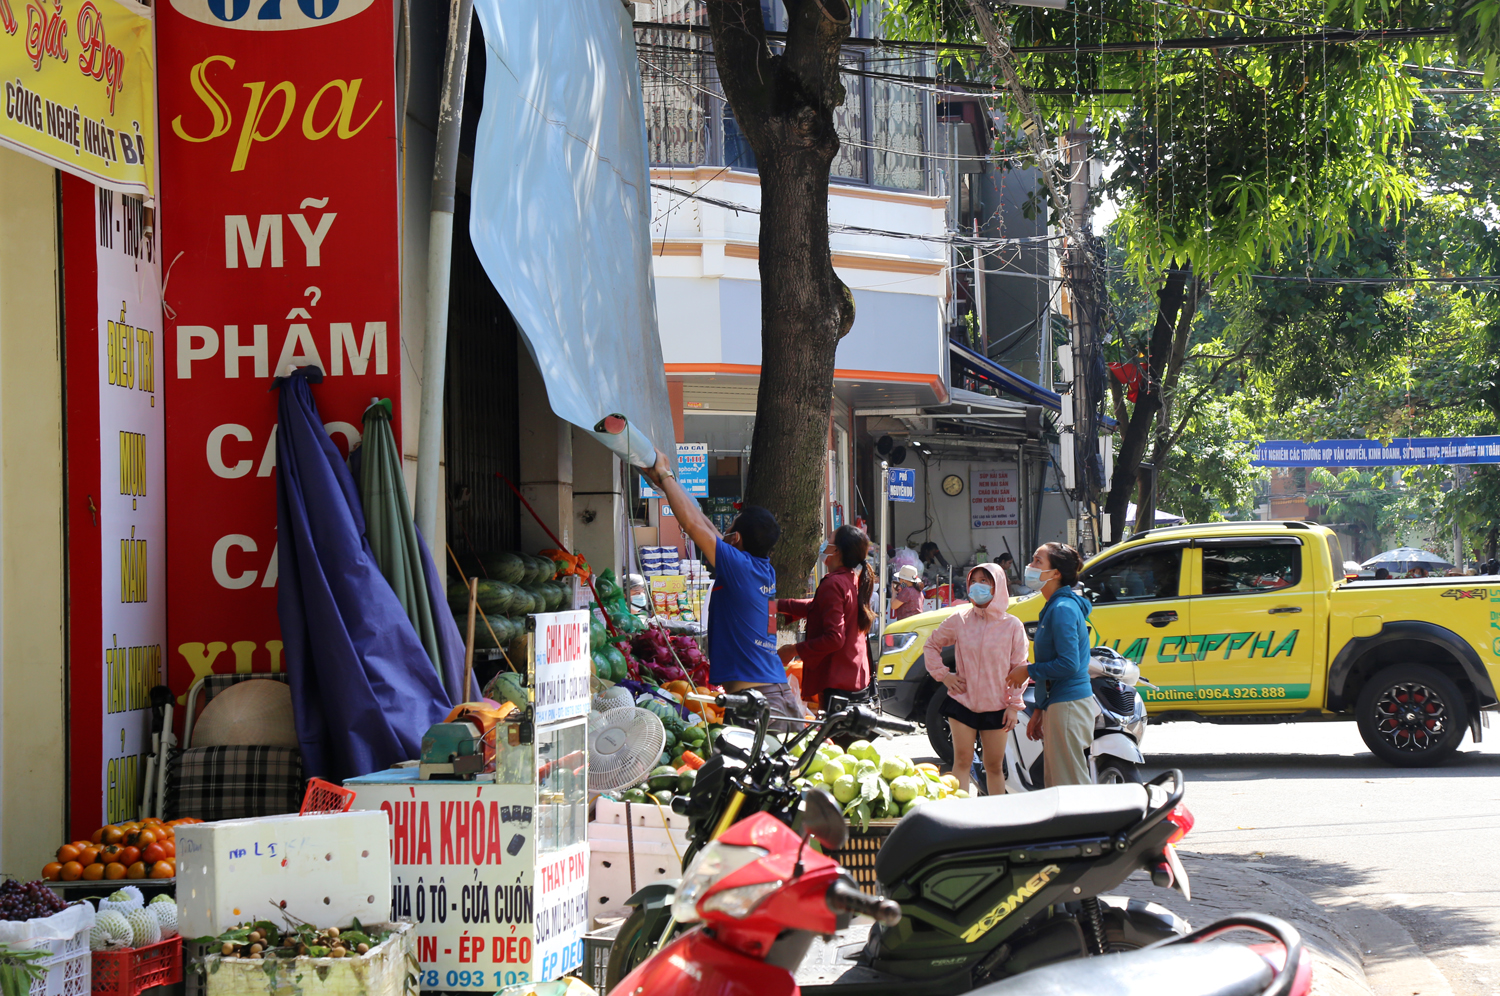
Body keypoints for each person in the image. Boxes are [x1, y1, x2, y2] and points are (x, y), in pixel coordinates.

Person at [642, 450, 803, 728]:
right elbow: (703, 523)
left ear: (736, 538)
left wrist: (666, 473)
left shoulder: (740, 566)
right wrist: (666, 485)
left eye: (728, 530)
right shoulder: (761, 569)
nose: (722, 535)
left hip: (755, 704)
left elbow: (693, 526)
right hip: (778, 698)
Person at [922, 563, 1026, 795]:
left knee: (994, 767)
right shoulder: (959, 619)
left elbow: (1019, 667)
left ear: (997, 586)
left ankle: (995, 824)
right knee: (961, 762)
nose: (977, 585)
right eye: (974, 580)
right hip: (962, 702)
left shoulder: (1012, 626)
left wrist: (1014, 705)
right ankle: (960, 819)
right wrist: (944, 676)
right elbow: (931, 645)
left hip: (998, 705)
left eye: (985, 581)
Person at [1006, 543, 1093, 787]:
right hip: (1058, 704)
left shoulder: (1063, 608)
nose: (1030, 566)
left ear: (1055, 574)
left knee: (1070, 788)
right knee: (1057, 786)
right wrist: (1041, 709)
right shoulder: (1055, 606)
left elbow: (1068, 664)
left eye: (1037, 561)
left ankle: (1088, 827)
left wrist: (1027, 670)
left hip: (1069, 705)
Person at [775, 525, 874, 709]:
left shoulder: (834, 582)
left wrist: (792, 650)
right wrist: (777, 605)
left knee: (831, 737)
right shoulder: (849, 579)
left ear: (836, 550)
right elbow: (818, 606)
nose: (824, 545)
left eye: (828, 540)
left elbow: (834, 639)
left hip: (838, 678)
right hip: (853, 673)